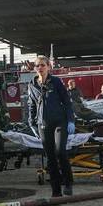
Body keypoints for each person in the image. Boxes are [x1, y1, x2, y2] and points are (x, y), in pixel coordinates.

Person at [27, 55, 75, 197]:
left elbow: (67, 101)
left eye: (43, 65)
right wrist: (32, 123)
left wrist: (71, 120)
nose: (40, 68)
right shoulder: (32, 84)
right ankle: (56, 190)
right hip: (43, 124)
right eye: (38, 65)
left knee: (60, 151)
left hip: (59, 122)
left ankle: (67, 182)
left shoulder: (56, 82)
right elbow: (31, 105)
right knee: (50, 158)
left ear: (48, 67)